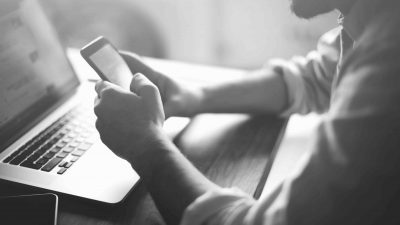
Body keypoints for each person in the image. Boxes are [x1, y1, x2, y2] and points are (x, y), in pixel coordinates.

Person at [93, 0, 400, 224]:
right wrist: (190, 96)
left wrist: (147, 147)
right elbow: (318, 77)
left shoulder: (389, 58)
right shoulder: (372, 18)